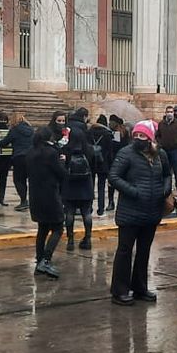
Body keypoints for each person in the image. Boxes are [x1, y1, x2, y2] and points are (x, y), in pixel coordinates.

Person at [108, 120, 172, 306]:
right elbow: (114, 176)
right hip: (130, 211)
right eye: (135, 135)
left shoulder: (160, 154)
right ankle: (119, 290)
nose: (138, 138)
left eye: (142, 135)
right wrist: (133, 191)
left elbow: (167, 174)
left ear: (150, 137)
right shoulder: (126, 153)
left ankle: (140, 287)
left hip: (152, 211)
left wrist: (165, 190)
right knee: (125, 251)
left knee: (144, 251)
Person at [27, 126, 66, 278]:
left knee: (42, 229)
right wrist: (62, 162)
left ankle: (39, 261)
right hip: (50, 195)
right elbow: (61, 174)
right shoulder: (51, 153)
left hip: (35, 195)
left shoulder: (30, 152)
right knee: (58, 227)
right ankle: (46, 259)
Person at [62, 107, 96, 251]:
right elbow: (91, 157)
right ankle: (87, 239)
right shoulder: (86, 136)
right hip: (85, 179)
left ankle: (70, 240)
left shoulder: (66, 134)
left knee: (69, 211)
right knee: (86, 212)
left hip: (69, 177)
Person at [89, 114, 115, 216]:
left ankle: (89, 207)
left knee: (90, 185)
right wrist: (110, 165)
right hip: (103, 163)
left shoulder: (89, 132)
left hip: (91, 162)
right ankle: (101, 208)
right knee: (101, 186)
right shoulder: (108, 134)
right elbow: (110, 152)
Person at [9, 111, 34, 210]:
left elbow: (5, 141)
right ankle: (32, 200)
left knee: (18, 180)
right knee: (31, 180)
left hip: (19, 157)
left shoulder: (14, 130)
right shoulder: (31, 129)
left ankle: (23, 201)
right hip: (31, 157)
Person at [156, 105, 177, 179]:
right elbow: (157, 135)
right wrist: (161, 143)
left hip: (175, 150)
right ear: (165, 113)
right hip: (164, 150)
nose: (170, 114)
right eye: (168, 112)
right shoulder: (161, 123)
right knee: (165, 169)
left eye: (171, 112)